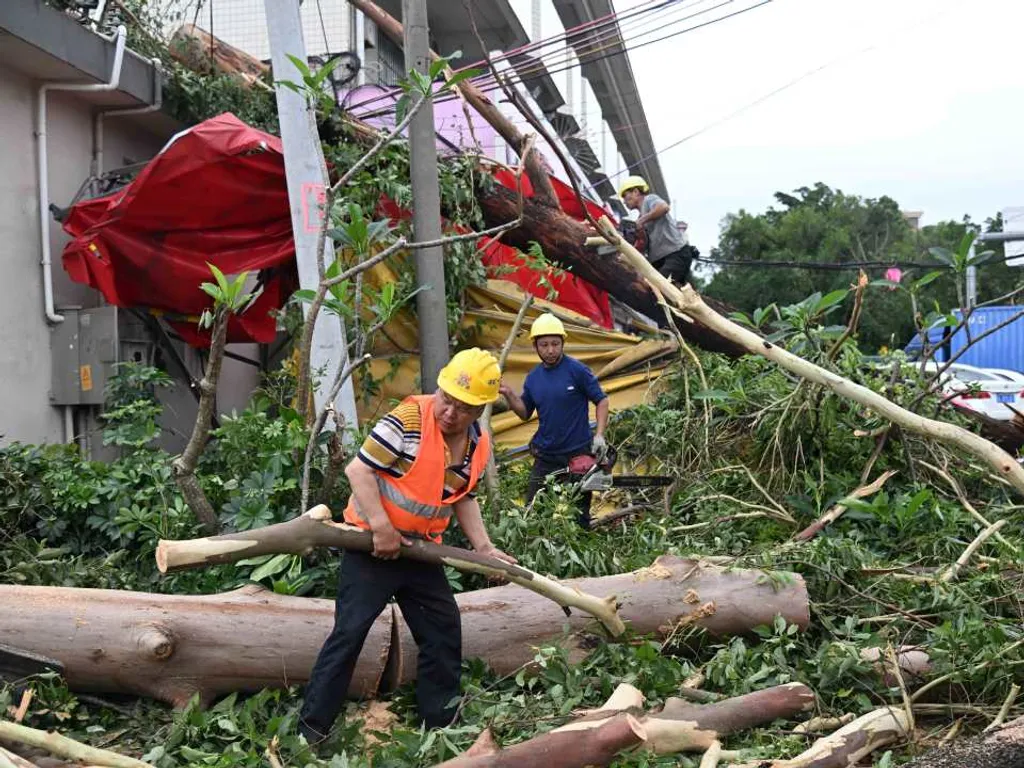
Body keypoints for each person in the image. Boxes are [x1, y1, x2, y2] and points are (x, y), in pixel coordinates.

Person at [299, 348, 516, 747]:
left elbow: (462, 497)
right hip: (370, 546)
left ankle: (441, 723)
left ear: (480, 409)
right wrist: (381, 527)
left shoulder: (476, 444)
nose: (449, 411)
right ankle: (311, 731)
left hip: (420, 551)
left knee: (443, 629)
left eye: (462, 407)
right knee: (350, 634)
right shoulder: (409, 420)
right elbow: (358, 470)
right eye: (446, 398)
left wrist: (484, 547)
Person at [499, 313, 609, 529]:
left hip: (579, 454)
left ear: (563, 343)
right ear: (535, 346)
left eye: (555, 344)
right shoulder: (533, 378)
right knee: (533, 509)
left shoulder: (577, 370)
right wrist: (509, 395)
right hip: (547, 456)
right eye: (544, 345)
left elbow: (602, 401)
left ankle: (581, 544)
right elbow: (524, 412)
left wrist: (600, 435)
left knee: (579, 515)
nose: (550, 350)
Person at [618, 175, 693, 285]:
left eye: (625, 196)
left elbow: (664, 207)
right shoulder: (640, 218)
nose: (624, 201)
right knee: (646, 284)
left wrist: (642, 220)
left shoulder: (650, 199)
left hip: (676, 254)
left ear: (635, 191)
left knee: (658, 287)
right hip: (660, 260)